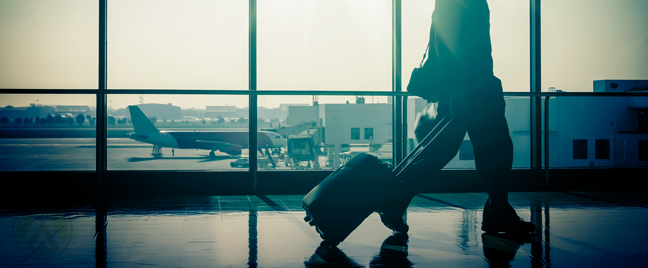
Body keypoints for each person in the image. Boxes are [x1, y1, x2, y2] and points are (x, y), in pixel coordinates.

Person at [378, 0, 535, 236]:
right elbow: (456, 43)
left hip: (468, 87)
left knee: (447, 150)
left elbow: (446, 42)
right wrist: (459, 89)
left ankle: (394, 200)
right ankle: (497, 213)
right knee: (494, 150)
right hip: (473, 88)